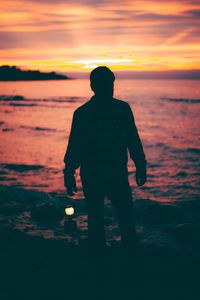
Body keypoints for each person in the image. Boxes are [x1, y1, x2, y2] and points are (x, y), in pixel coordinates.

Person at [63, 66, 146, 251]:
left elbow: (132, 139)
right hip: (96, 175)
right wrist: (69, 172)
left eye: (110, 84)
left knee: (122, 218)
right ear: (93, 86)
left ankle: (123, 256)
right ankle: (104, 259)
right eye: (105, 84)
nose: (109, 88)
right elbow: (75, 146)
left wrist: (141, 164)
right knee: (99, 219)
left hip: (113, 174)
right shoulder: (83, 114)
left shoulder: (120, 110)